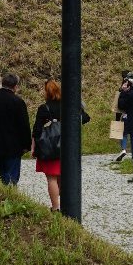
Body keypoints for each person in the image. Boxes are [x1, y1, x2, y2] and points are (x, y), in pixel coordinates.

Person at [32, 80, 87, 210]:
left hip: (49, 147)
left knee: (51, 178)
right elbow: (85, 118)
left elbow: (37, 130)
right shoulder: (69, 105)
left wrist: (33, 147)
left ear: (47, 92)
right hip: (67, 145)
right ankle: (66, 204)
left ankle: (55, 207)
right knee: (63, 175)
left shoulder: (44, 108)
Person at [0, 74, 32, 186]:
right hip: (14, 145)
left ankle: (2, 194)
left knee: (0, 173)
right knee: (12, 174)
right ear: (15, 86)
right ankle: (11, 195)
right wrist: (27, 144)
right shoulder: (18, 102)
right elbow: (24, 125)